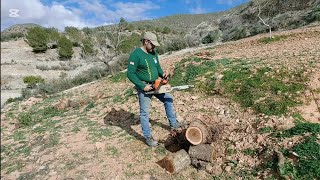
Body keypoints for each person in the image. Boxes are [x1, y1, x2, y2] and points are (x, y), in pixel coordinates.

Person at [127, 32, 180, 147]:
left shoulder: (153, 53)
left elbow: (157, 67)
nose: (154, 47)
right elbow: (130, 74)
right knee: (144, 113)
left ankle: (174, 124)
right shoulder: (135, 55)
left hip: (156, 84)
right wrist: (142, 85)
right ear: (146, 42)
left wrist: (163, 74)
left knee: (168, 99)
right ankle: (148, 137)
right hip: (144, 87)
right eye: (153, 44)